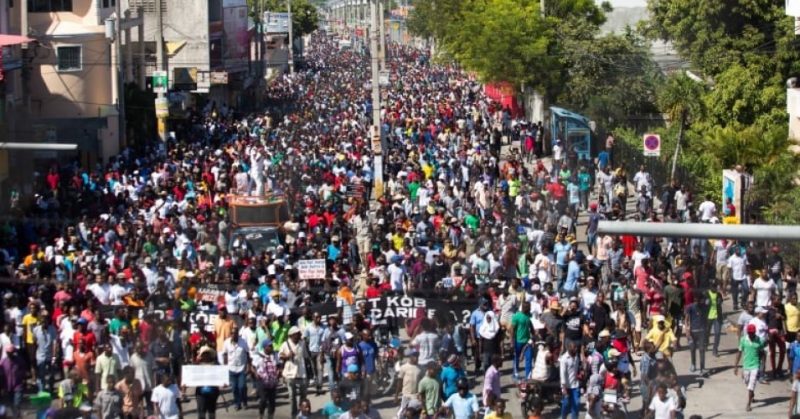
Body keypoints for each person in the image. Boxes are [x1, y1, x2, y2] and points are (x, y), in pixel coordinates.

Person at [734, 323, 766, 412]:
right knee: (747, 383)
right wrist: (736, 366)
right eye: (750, 333)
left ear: (755, 332)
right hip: (746, 366)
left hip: (755, 365)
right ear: (747, 332)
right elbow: (739, 352)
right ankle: (752, 394)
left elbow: (762, 353)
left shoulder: (759, 340)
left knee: (751, 385)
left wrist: (763, 366)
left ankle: (748, 404)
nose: (751, 334)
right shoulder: (743, 340)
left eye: (752, 333)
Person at [279, 326, 307, 416]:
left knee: (303, 394)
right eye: (298, 333)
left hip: (301, 372)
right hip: (290, 373)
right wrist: (287, 356)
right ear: (292, 335)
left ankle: (302, 411)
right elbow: (280, 356)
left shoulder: (302, 343)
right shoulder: (285, 344)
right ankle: (294, 414)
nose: (300, 335)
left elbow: (306, 355)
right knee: (292, 396)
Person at [223, 324, 249, 410]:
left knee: (241, 387)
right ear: (230, 334)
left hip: (241, 368)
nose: (234, 335)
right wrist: (224, 367)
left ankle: (244, 401)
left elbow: (248, 354)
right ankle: (237, 403)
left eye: (236, 333)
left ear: (238, 334)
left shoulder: (243, 342)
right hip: (231, 369)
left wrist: (248, 366)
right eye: (232, 333)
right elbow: (225, 355)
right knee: (234, 388)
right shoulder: (226, 342)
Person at [253, 339, 279, 419]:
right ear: (265, 347)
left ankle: (270, 416)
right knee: (263, 399)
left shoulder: (275, 355)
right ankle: (261, 415)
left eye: (271, 345)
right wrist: (255, 373)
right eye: (269, 346)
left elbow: (279, 365)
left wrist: (279, 371)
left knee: (272, 401)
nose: (271, 347)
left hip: (272, 380)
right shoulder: (258, 355)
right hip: (261, 380)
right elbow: (253, 367)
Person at [395, 348, 423, 418]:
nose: (416, 358)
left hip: (415, 396)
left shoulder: (420, 368)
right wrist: (396, 395)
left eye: (417, 356)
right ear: (410, 357)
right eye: (414, 356)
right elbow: (399, 382)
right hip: (405, 395)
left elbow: (422, 384)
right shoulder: (404, 367)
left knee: (411, 414)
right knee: (401, 415)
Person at [195, 346, 221, 419]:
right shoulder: (197, 365)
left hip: (213, 392)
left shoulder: (216, 364)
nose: (205, 355)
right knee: (201, 412)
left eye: (207, 353)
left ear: (210, 355)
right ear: (201, 355)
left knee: (211, 412)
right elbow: (191, 376)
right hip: (200, 393)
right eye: (204, 354)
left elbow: (221, 375)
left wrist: (222, 383)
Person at [511, 301, 534, 380]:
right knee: (517, 357)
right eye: (528, 307)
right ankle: (515, 374)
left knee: (529, 358)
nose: (530, 309)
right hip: (518, 341)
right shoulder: (517, 316)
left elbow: (530, 324)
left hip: (527, 341)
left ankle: (528, 376)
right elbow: (512, 329)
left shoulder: (528, 315)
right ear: (524, 308)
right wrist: (512, 341)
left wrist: (533, 335)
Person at [559, 341, 581, 419]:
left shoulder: (576, 357)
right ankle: (563, 417)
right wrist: (564, 387)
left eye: (576, 347)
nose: (576, 349)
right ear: (569, 348)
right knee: (566, 403)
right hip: (567, 386)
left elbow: (577, 370)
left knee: (576, 403)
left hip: (575, 385)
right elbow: (562, 373)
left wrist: (579, 374)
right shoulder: (564, 359)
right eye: (574, 347)